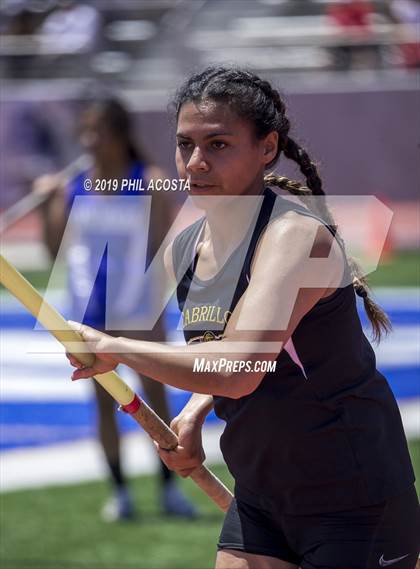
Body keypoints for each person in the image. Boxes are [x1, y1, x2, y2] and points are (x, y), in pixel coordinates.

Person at [66, 67, 419, 568]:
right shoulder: (187, 248)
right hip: (261, 496)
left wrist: (112, 347)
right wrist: (192, 412)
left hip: (354, 498)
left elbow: (240, 367)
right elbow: (223, 347)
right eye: (185, 145)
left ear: (267, 147)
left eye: (218, 145)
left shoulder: (295, 238)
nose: (195, 163)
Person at [34, 98, 196, 521]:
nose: (89, 141)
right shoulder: (74, 187)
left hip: (137, 309)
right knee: (104, 401)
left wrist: (151, 312)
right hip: (89, 311)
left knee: (155, 397)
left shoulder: (151, 181)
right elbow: (54, 251)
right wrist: (47, 203)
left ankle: (169, 490)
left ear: (120, 134)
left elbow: (164, 250)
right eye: (85, 132)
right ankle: (120, 491)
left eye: (98, 131)